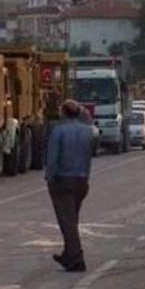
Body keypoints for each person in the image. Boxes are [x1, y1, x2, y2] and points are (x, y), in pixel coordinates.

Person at [45, 100, 95, 272]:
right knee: (72, 219)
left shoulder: (58, 131)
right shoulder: (87, 131)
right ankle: (68, 254)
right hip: (82, 181)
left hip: (63, 180)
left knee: (67, 222)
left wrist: (50, 177)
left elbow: (52, 158)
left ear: (64, 112)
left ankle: (76, 258)